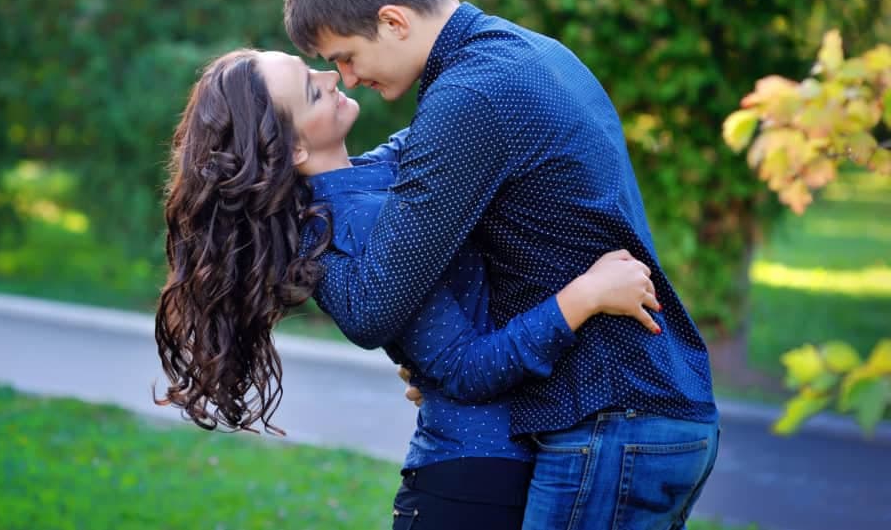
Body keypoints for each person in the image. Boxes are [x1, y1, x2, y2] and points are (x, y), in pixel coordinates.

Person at [283, 0, 720, 530]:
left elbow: (375, 306)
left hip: (610, 418)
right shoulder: (521, 53)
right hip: (645, 411)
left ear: (394, 21)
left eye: (347, 57)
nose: (349, 78)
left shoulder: (469, 101)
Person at [154, 48, 663, 529]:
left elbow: (448, 122)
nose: (332, 76)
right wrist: (586, 297)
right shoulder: (349, 228)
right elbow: (465, 369)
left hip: (487, 469)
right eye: (311, 90)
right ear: (296, 148)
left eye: (314, 68)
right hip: (473, 482)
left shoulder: (373, 177)